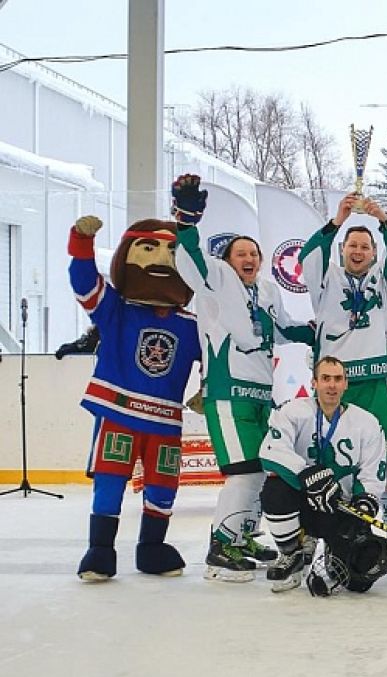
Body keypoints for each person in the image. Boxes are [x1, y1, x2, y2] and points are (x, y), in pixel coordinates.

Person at [170, 174, 317, 581]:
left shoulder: (267, 291)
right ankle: (221, 548)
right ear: (227, 259)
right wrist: (186, 219)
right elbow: (192, 259)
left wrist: (325, 331)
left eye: (255, 253)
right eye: (242, 253)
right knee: (244, 471)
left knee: (262, 468)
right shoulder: (216, 281)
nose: (250, 259)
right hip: (229, 394)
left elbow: (285, 328)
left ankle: (242, 538)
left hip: (260, 395)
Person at [67, 212, 201, 582]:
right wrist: (81, 242)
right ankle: (100, 550)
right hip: (119, 411)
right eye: (147, 249)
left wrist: (211, 386)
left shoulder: (191, 323)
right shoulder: (117, 310)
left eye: (171, 253)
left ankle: (151, 546)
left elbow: (219, 354)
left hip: (164, 419)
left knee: (163, 484)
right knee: (111, 479)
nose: (160, 260)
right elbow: (84, 284)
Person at [257, 356, 387, 595]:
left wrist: (365, 502)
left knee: (360, 581)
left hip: (340, 507)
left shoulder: (367, 422)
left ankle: (333, 552)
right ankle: (292, 554)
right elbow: (271, 451)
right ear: (314, 383)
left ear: (346, 384)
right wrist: (308, 475)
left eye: (337, 379)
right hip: (303, 502)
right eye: (326, 379)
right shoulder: (291, 412)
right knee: (274, 488)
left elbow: (373, 471)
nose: (332, 385)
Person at [299, 192, 387, 452]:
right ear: (342, 249)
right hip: (333, 379)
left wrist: (382, 218)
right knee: (328, 444)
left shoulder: (383, 280)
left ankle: (382, 492)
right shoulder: (326, 278)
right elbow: (309, 255)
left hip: (374, 377)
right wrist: (337, 221)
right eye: (353, 245)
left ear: (373, 253)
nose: (358, 251)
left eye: (365, 246)